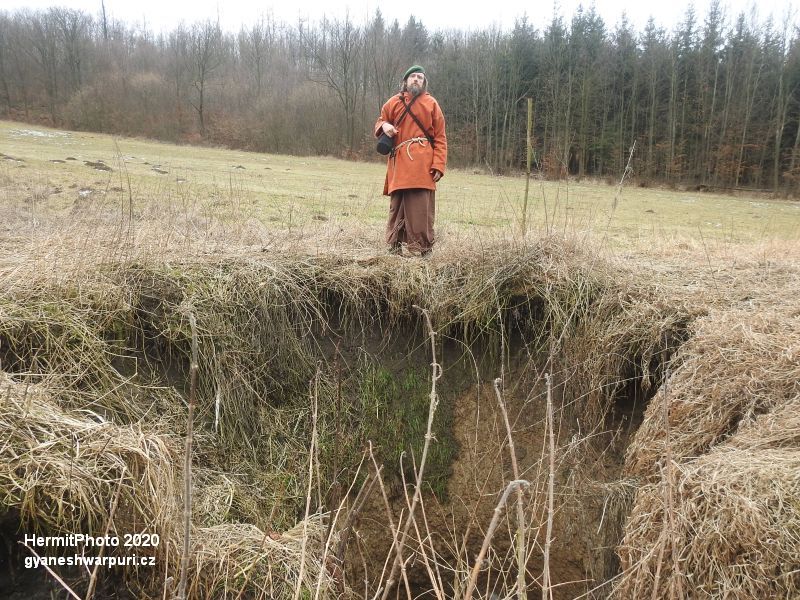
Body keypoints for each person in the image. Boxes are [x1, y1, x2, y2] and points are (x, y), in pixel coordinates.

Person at [374, 65, 447, 256]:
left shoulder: (431, 104)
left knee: (421, 207)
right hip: (399, 161)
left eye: (420, 77)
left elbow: (440, 137)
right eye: (413, 76)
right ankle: (394, 246)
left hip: (423, 163)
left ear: (424, 83)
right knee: (397, 205)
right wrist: (386, 125)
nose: (416, 80)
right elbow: (380, 121)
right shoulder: (393, 103)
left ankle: (422, 250)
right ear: (405, 81)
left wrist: (438, 164)